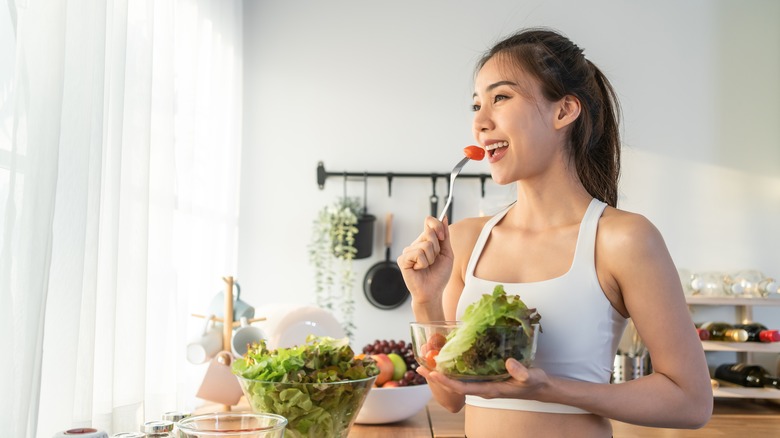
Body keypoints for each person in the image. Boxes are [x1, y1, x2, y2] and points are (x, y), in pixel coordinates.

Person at [397, 28, 713, 438]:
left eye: (501, 97)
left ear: (563, 111)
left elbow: (690, 402)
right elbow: (453, 398)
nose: (479, 122)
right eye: (476, 104)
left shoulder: (623, 239)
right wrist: (426, 299)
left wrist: (551, 388)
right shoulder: (466, 240)